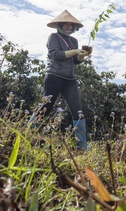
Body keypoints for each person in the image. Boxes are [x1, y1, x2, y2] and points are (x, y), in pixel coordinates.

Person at [31, 10, 92, 150]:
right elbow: (55, 55)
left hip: (70, 79)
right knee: (45, 108)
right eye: (66, 25)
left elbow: (75, 61)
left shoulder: (73, 41)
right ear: (60, 25)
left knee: (78, 111)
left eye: (71, 26)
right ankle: (28, 133)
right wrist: (75, 51)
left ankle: (82, 145)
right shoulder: (53, 37)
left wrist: (83, 55)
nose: (68, 28)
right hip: (54, 76)